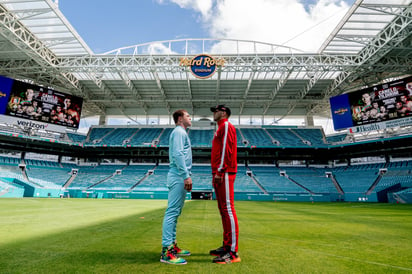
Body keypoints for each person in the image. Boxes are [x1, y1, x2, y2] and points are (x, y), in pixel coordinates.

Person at [160, 109, 193, 265]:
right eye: (187, 116)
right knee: (172, 211)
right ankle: (166, 251)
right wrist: (186, 175)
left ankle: (172, 246)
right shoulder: (179, 132)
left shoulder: (180, 132)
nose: (190, 118)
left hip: (179, 174)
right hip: (179, 174)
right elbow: (178, 154)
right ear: (180, 119)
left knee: (175, 211)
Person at [209, 104, 241, 264]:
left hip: (225, 172)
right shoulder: (220, 127)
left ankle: (233, 252)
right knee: (223, 209)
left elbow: (226, 150)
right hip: (220, 172)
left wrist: (220, 171)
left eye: (216, 111)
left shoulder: (226, 125)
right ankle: (227, 245)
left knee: (227, 208)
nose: (213, 113)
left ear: (223, 112)